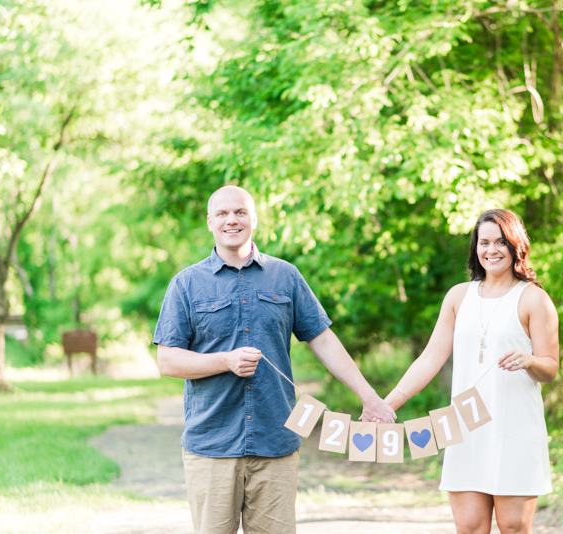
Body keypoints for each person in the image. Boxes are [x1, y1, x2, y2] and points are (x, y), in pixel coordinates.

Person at [153, 185, 396, 534]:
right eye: (222, 214)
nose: (231, 220)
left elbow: (323, 339)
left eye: (240, 212)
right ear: (210, 222)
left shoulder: (286, 276)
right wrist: (226, 361)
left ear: (254, 219)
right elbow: (168, 361)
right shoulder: (186, 284)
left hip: (276, 443)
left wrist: (369, 397)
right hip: (211, 446)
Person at [385, 209, 559, 534]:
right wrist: (389, 403)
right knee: (469, 528)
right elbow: (430, 358)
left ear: (515, 245)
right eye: (484, 242)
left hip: (514, 428)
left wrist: (530, 361)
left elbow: (550, 368)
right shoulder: (458, 297)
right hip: (465, 429)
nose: (491, 250)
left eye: (500, 242)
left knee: (513, 527)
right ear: (475, 249)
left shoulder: (534, 299)